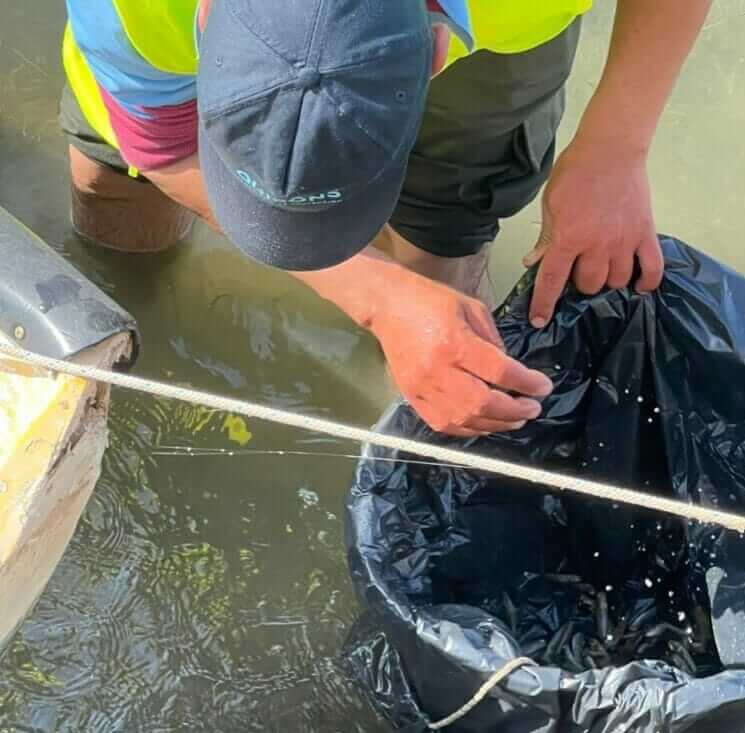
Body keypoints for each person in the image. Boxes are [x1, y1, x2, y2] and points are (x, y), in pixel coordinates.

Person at [61, 0, 710, 436]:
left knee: (442, 263)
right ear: (206, 15)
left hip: (501, 29)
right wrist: (376, 297)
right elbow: (162, 143)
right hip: (153, 43)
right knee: (114, 196)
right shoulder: (130, 11)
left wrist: (615, 149)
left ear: (435, 56)